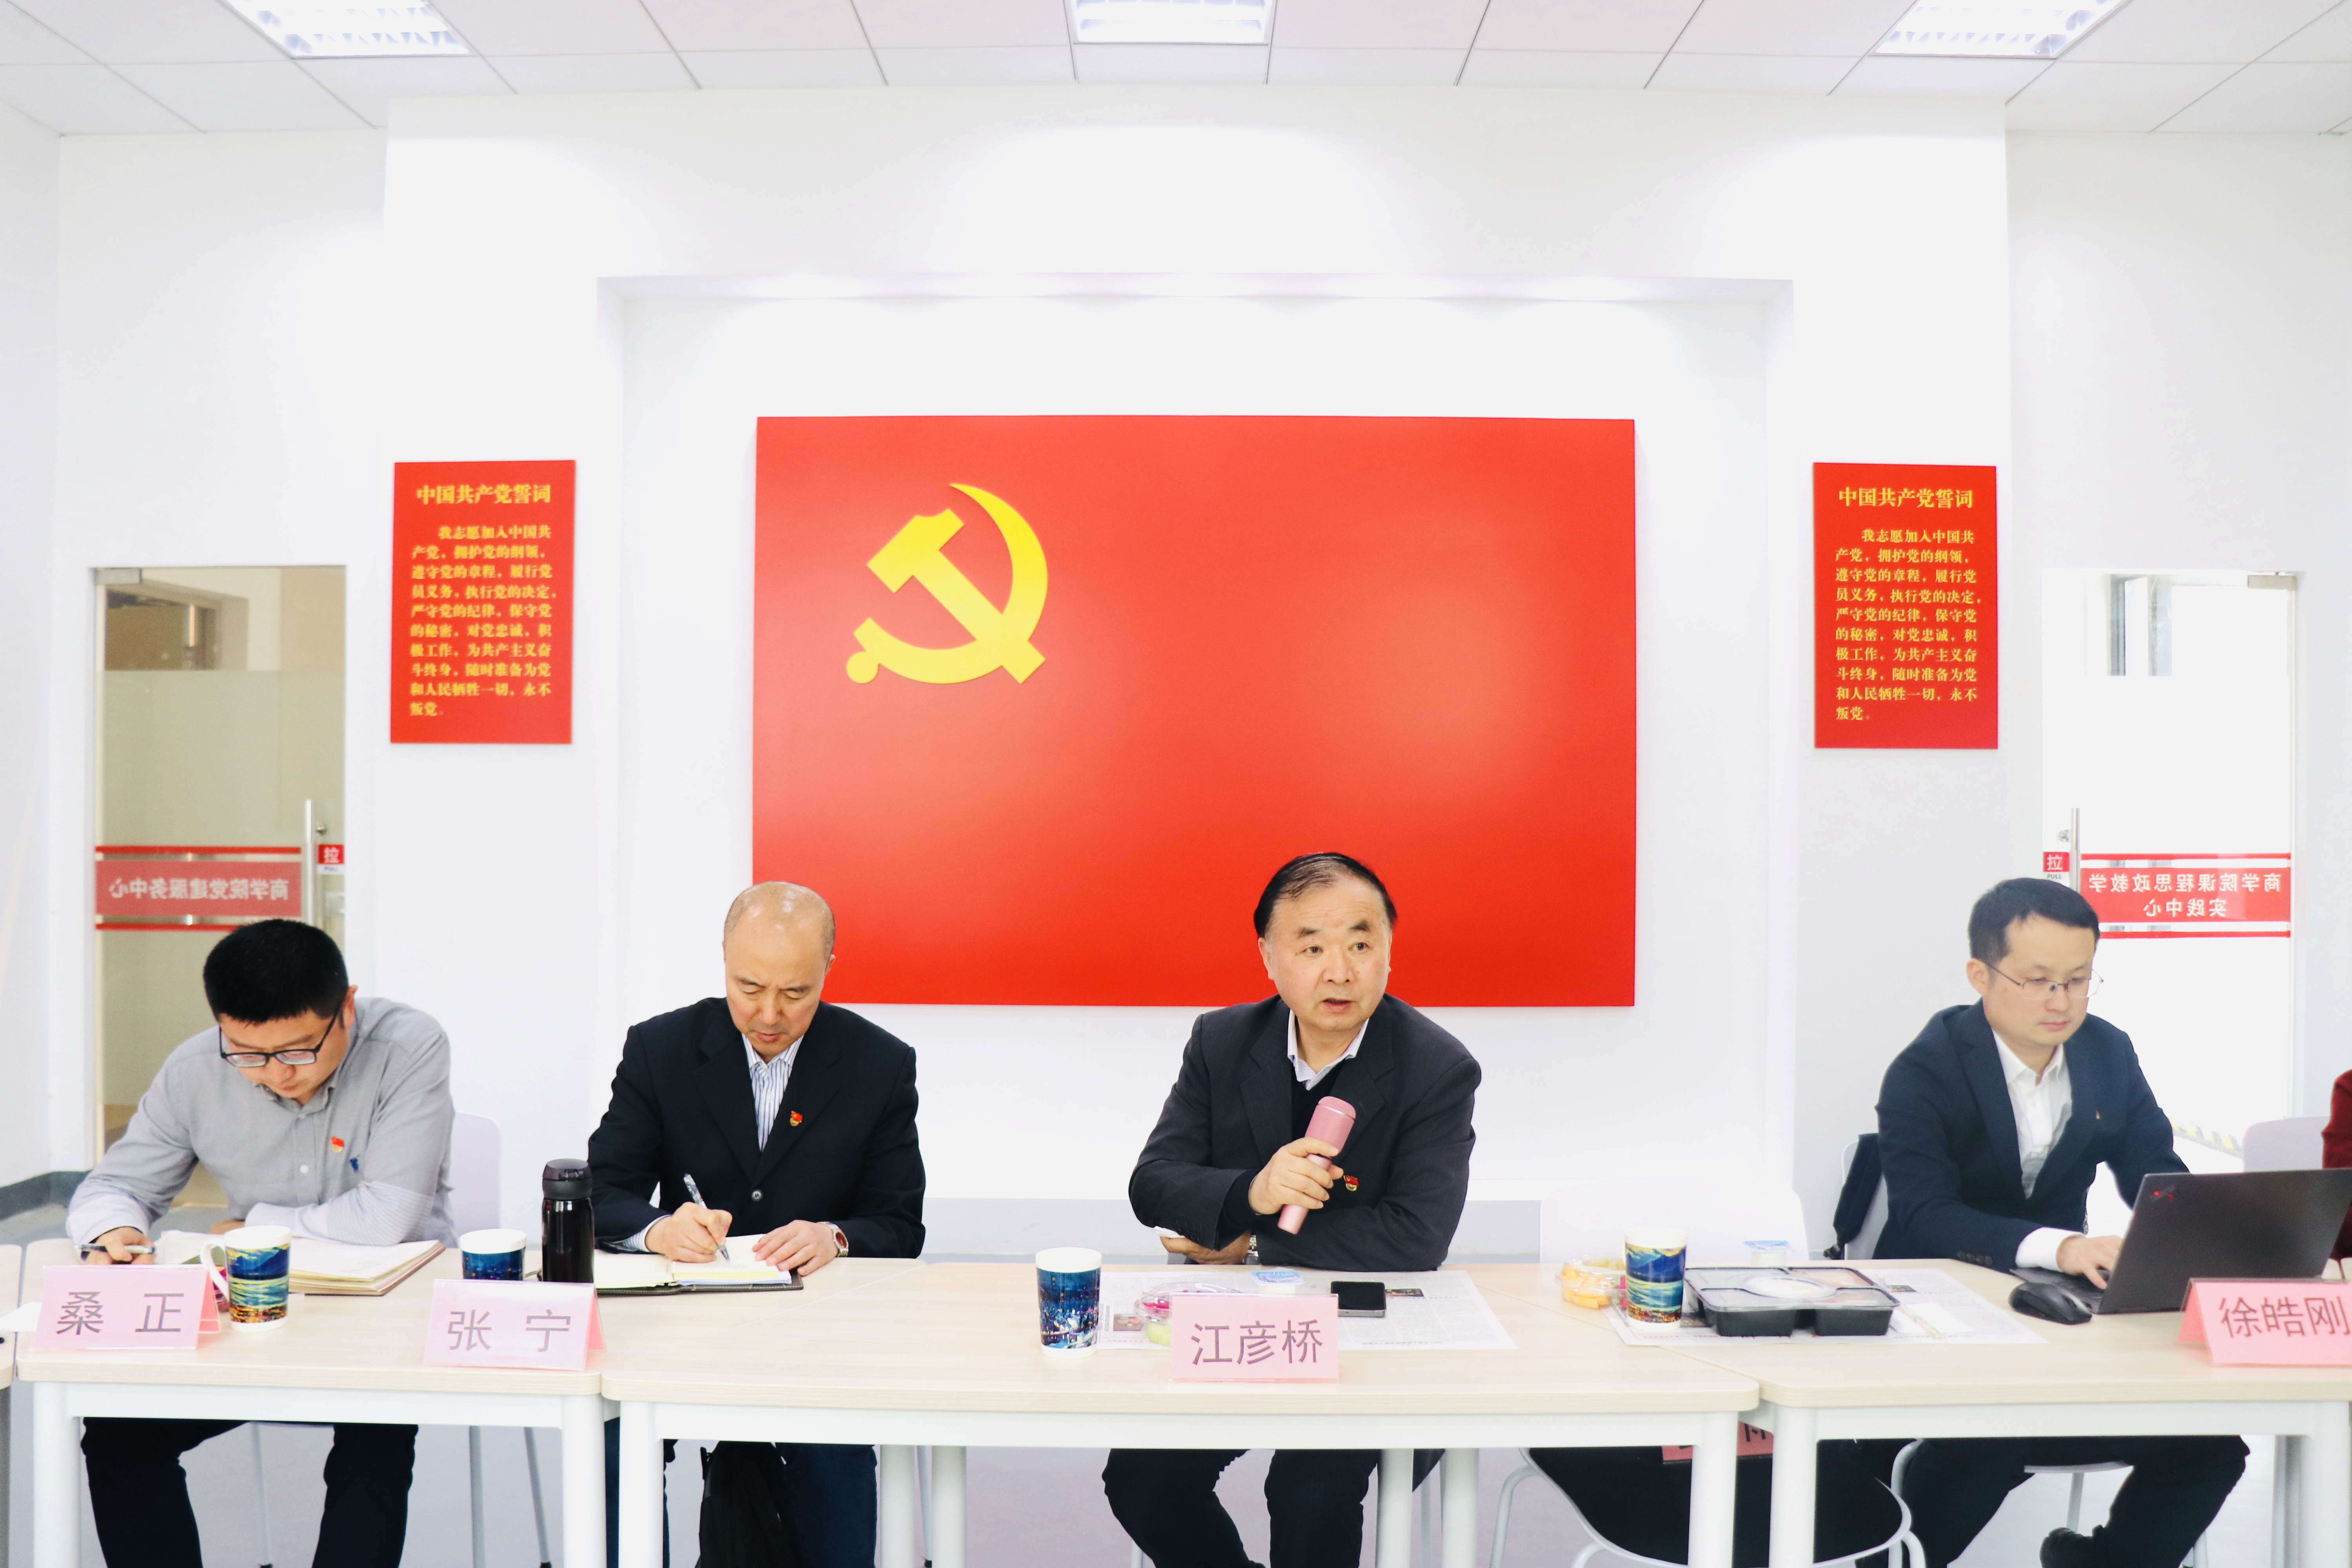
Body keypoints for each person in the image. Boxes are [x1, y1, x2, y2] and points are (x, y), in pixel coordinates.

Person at [1105, 853, 1479, 1568]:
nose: (1339, 971)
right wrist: (1255, 1192)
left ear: (1389, 952)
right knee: (1143, 1478)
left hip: (1367, 1337)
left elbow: (1416, 1237)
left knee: (1310, 1490)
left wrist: (1251, 1245)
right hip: (1244, 1329)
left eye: (1361, 944)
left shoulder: (1437, 1067)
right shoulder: (1221, 1041)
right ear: (1269, 958)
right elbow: (1153, 1184)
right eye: (1311, 947)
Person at [1877, 877, 2245, 1568]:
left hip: (2061, 1322)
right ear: (1981, 976)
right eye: (2039, 981)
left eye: (2079, 980)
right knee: (1985, 1445)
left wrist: (2219, 1237)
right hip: (1944, 1313)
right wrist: (2063, 1246)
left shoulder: (2108, 1051)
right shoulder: (1926, 1068)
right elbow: (1923, 1216)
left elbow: (2155, 1175)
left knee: (2209, 1449)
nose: (2061, 1002)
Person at [69, 918, 454, 1568]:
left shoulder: (408, 1046)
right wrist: (114, 1229)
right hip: (256, 1314)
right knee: (118, 1433)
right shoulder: (195, 1069)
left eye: (299, 1051)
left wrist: (254, 1225)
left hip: (383, 1317)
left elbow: (387, 1217)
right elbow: (116, 1185)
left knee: (375, 1438)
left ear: (347, 1008)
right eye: (247, 1054)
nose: (275, 1073)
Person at [588, 880, 925, 1568]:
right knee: (615, 1439)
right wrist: (659, 1229)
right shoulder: (661, 1049)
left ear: (828, 968)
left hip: (819, 1334)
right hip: (681, 1327)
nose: (769, 1014)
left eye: (796, 993)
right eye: (749, 988)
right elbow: (601, 1189)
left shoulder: (879, 1064)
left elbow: (899, 1222)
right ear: (723, 958)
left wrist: (835, 1236)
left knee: (834, 1450)